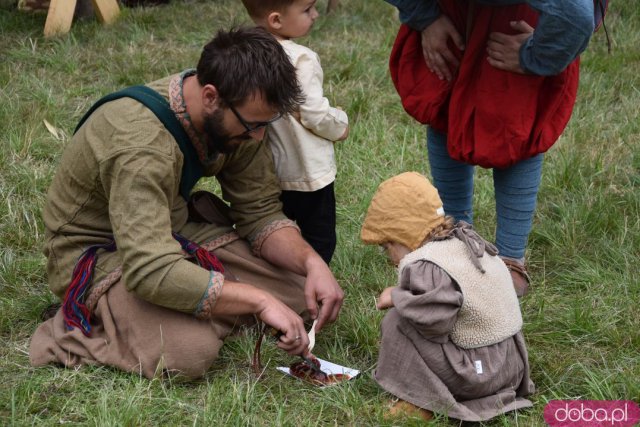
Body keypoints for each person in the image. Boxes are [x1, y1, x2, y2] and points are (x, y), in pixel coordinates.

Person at [29, 27, 344, 379]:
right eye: (251, 125)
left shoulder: (237, 112)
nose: (258, 136)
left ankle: (194, 311)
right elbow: (149, 269)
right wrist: (258, 299)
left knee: (300, 293)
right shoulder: (140, 147)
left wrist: (311, 261)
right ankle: (82, 326)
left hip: (171, 229)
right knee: (184, 354)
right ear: (211, 96)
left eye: (265, 124)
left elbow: (259, 212)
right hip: (97, 253)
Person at [384, 0, 595, 296]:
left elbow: (576, 16)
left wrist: (537, 54)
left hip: (519, 22)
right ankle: (456, 242)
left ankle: (510, 259)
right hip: (450, 13)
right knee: (444, 103)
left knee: (516, 124)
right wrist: (426, 17)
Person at [361, 172, 535, 422]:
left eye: (387, 246)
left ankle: (422, 399)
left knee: (397, 322)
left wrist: (398, 297)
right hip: (510, 367)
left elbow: (435, 323)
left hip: (479, 375)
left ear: (403, 236)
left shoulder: (425, 264)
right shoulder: (465, 242)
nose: (389, 257)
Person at [241, 0, 350, 265]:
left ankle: (280, 278)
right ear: (276, 20)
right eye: (307, 9)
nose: (315, 14)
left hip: (268, 170)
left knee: (276, 230)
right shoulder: (301, 58)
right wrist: (340, 123)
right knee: (319, 237)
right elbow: (312, 113)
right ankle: (313, 282)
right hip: (308, 171)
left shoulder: (244, 50)